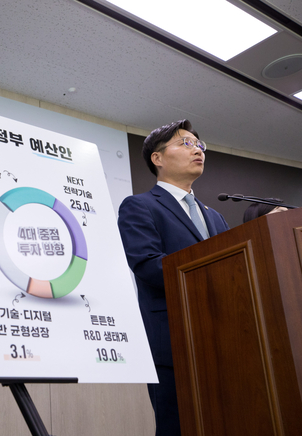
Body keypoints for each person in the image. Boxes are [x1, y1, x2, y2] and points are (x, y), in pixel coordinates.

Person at [117, 119, 229, 436]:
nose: (198, 150)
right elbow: (147, 265)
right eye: (186, 143)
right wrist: (209, 272)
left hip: (226, 339)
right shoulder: (139, 206)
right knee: (178, 426)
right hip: (174, 341)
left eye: (199, 144)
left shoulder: (215, 216)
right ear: (158, 158)